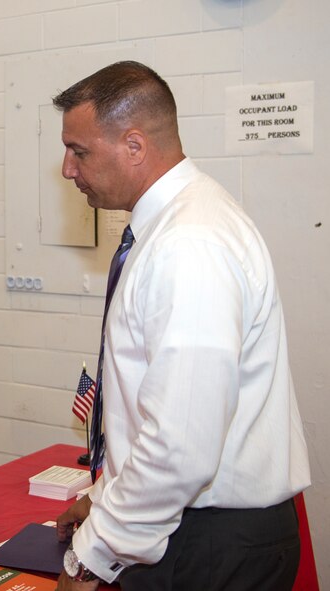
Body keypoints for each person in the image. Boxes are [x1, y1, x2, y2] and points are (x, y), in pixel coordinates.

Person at [51, 61, 310, 590]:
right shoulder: (179, 225)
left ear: (134, 146)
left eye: (79, 151)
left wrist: (92, 556)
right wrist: (104, 502)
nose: (67, 170)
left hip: (208, 546)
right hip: (195, 529)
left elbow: (179, 445)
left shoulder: (188, 245)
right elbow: (162, 407)